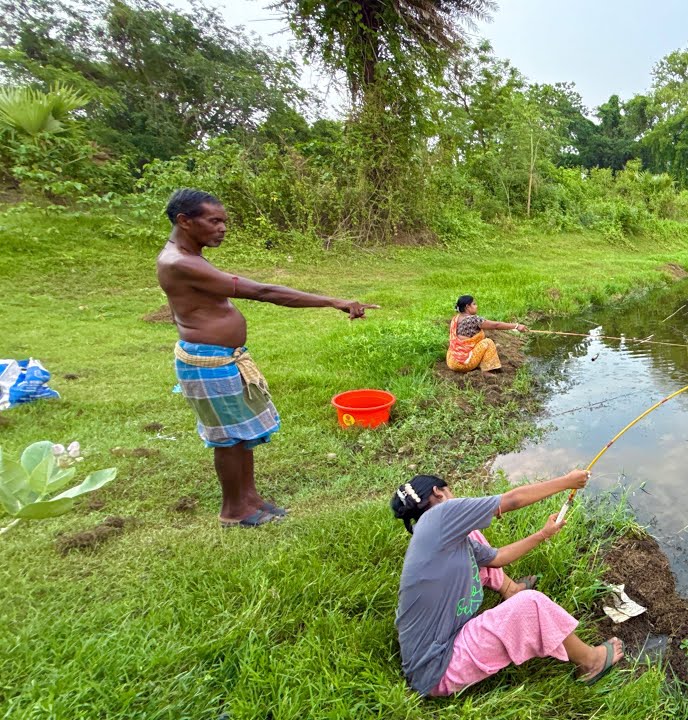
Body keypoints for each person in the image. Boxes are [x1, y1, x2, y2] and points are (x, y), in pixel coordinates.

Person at [157, 188, 378, 527]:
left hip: (224, 357)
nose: (222, 228)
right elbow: (263, 292)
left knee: (243, 435)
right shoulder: (180, 262)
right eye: (214, 221)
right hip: (208, 363)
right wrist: (334, 301)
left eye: (224, 222)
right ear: (185, 221)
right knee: (229, 439)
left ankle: (250, 498)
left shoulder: (190, 255)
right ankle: (234, 510)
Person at [391, 470, 624, 698]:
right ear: (438, 492)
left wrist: (543, 534)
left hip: (435, 652)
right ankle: (591, 661)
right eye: (450, 490)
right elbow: (511, 500)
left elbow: (497, 558)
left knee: (474, 537)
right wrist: (567, 482)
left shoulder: (434, 536)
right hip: (438, 670)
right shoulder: (440, 516)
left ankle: (512, 590)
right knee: (531, 604)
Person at [447, 295, 528, 374]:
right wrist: (517, 326)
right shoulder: (473, 320)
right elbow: (496, 325)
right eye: (474, 304)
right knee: (488, 342)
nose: (476, 306)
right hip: (464, 364)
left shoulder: (455, 318)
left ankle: (476, 362)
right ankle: (489, 370)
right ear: (467, 307)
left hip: (452, 361)